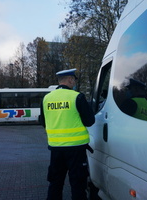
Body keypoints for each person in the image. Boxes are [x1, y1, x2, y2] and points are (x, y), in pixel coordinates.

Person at [41, 68, 95, 200]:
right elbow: (89, 121)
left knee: (55, 183)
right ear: (70, 79)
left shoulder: (46, 98)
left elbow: (43, 122)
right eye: (74, 80)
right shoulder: (77, 97)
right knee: (78, 185)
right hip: (76, 149)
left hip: (56, 149)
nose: (74, 83)